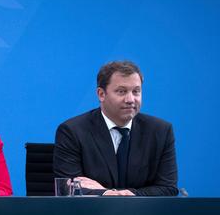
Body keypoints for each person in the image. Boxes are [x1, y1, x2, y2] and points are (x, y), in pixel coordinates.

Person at [53, 60, 177, 196]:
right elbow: (69, 188)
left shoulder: (160, 131)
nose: (130, 99)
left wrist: (110, 193)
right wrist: (110, 194)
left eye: (136, 91)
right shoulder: (72, 131)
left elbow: (168, 189)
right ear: (101, 94)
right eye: (121, 91)